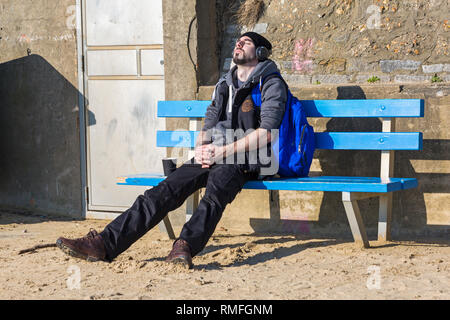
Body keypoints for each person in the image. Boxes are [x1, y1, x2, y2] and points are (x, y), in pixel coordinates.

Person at [56, 32, 287, 269]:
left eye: (246, 42)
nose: (239, 42)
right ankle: (104, 243)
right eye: (238, 39)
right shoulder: (224, 83)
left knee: (215, 193)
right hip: (214, 155)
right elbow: (210, 118)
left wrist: (222, 152)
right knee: (164, 190)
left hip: (246, 159)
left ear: (260, 53)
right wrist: (203, 147)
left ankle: (184, 246)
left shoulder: (270, 83)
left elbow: (267, 132)